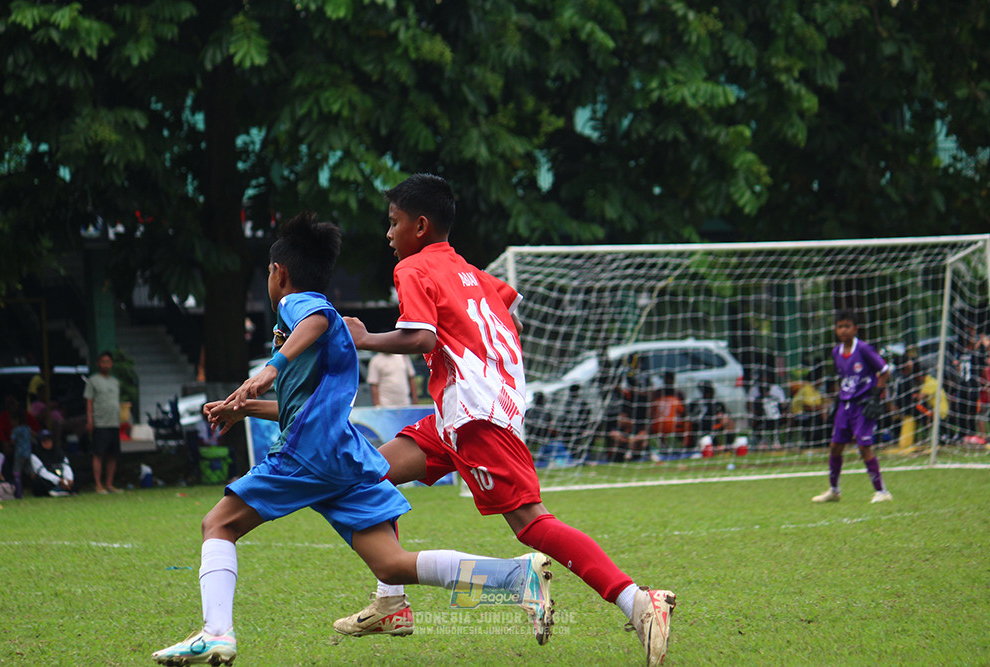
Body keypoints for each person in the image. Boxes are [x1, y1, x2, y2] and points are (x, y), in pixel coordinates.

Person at [152, 212, 553, 666]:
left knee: (218, 525)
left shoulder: (302, 307)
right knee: (392, 564)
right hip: (341, 456)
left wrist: (268, 371)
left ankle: (216, 633)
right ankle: (516, 580)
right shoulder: (310, 326)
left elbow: (318, 319)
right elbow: (300, 408)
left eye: (268, 272)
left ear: (279, 273)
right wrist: (242, 407)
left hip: (307, 456)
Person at [338, 174, 675, 666]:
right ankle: (390, 599)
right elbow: (510, 317)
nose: (388, 234)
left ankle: (639, 602)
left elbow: (422, 339)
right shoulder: (470, 270)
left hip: (476, 416)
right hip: (460, 411)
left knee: (532, 524)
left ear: (421, 225)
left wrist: (364, 338)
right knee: (366, 474)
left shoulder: (413, 268)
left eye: (394, 223)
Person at [812, 309, 892, 503]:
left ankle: (882, 492)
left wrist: (875, 396)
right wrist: (837, 402)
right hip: (845, 406)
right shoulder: (836, 352)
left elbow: (885, 371)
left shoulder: (863, 349)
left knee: (864, 446)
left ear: (855, 329)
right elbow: (846, 378)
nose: (843, 330)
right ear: (835, 329)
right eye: (840, 326)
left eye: (847, 326)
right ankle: (834, 490)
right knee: (835, 446)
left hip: (863, 405)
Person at [84, 350, 122, 494]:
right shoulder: (93, 381)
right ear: (98, 363)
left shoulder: (115, 382)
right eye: (103, 361)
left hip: (114, 423)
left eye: (108, 361)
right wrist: (90, 420)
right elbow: (89, 402)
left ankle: (109, 484)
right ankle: (98, 485)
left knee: (113, 455)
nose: (106, 364)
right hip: (100, 423)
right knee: (98, 454)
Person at [947, 325, 989, 443]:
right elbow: (982, 369)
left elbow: (957, 366)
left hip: (963, 385)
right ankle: (969, 435)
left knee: (964, 411)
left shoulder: (960, 354)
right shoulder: (975, 355)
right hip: (971, 386)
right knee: (970, 411)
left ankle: (963, 435)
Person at [607, 370, 653, 461]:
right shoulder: (619, 425)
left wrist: (633, 439)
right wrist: (627, 441)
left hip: (633, 441)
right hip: (624, 442)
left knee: (642, 439)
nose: (622, 420)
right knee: (615, 438)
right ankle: (619, 456)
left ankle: (645, 455)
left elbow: (643, 434)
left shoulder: (635, 419)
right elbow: (612, 433)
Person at [686, 380, 735, 452]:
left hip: (715, 425)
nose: (707, 393)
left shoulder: (717, 404)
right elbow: (688, 415)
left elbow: (725, 414)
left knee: (728, 421)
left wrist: (721, 418)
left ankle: (728, 445)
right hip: (699, 426)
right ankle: (690, 447)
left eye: (708, 391)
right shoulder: (696, 404)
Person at [28, 429, 75, 497]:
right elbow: (42, 472)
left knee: (80, 476)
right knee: (38, 482)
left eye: (49, 440)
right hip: (49, 480)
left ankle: (64, 489)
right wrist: (58, 481)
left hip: (61, 476)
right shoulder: (35, 455)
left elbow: (66, 465)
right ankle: (60, 490)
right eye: (44, 440)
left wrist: (68, 479)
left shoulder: (58, 452)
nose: (47, 442)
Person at [790, 365, 828, 448]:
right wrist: (822, 409)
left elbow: (818, 405)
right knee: (818, 418)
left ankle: (821, 440)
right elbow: (808, 407)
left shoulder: (815, 391)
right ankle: (811, 442)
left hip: (808, 415)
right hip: (799, 415)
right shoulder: (807, 389)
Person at [749, 372, 787, 449]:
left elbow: (783, 404)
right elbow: (749, 405)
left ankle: (780, 440)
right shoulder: (755, 392)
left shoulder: (777, 389)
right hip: (760, 417)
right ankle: (759, 440)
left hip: (776, 417)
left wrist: (782, 412)